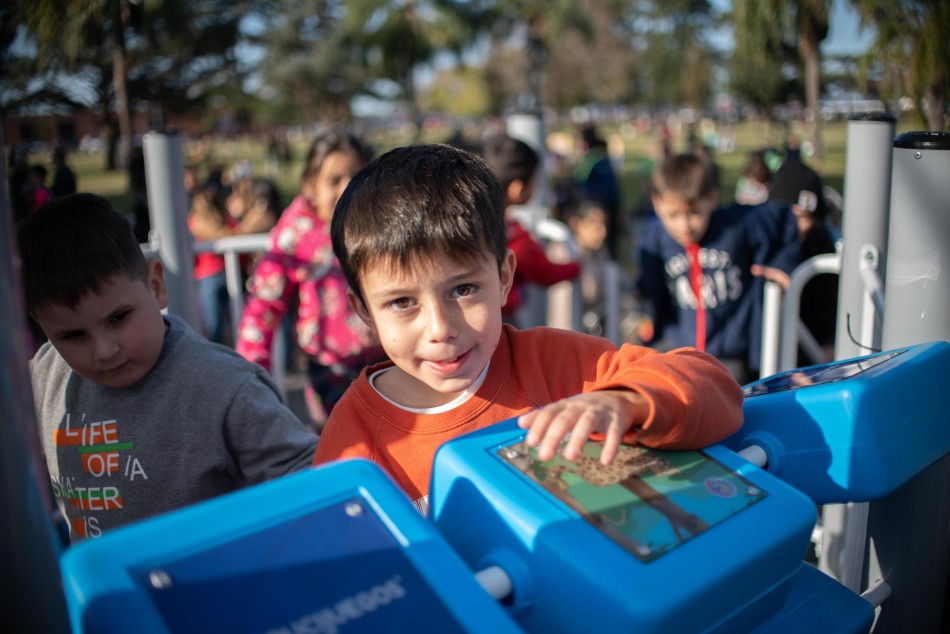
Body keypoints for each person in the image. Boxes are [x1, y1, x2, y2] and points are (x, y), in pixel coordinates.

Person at [312, 143, 745, 513]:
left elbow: (715, 388)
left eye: (463, 289)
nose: (440, 328)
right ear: (364, 310)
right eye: (402, 302)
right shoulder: (355, 438)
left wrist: (626, 403)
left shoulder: (557, 365)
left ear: (504, 279)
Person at [18, 193, 319, 542]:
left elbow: (304, 478)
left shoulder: (224, 387)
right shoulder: (41, 378)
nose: (104, 349)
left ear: (156, 286)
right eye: (72, 335)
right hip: (108, 593)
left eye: (119, 318)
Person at [236, 129, 385, 426]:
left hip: (390, 361)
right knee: (341, 449)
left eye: (356, 176)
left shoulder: (383, 224)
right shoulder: (295, 234)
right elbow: (263, 305)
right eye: (334, 180)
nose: (347, 188)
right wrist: (251, 367)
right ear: (310, 186)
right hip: (329, 373)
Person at [634, 153, 800, 384]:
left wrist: (781, 265)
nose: (685, 226)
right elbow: (650, 287)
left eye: (694, 213)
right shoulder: (653, 237)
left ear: (712, 199)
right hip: (675, 352)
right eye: (673, 215)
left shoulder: (738, 224)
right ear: (657, 203)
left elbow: (784, 217)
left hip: (730, 358)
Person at [480, 133, 580, 327]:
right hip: (499, 322)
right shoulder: (514, 236)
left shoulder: (474, 222)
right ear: (518, 188)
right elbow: (545, 272)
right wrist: (576, 266)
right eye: (535, 180)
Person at [767, 147, 839, 363]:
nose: (800, 225)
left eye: (806, 217)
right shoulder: (759, 241)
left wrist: (828, 343)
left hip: (807, 356)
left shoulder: (821, 244)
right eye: (792, 215)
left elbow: (829, 300)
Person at [573, 125, 622, 258]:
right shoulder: (602, 156)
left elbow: (578, 180)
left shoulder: (591, 159)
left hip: (599, 204)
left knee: (601, 237)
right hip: (611, 202)